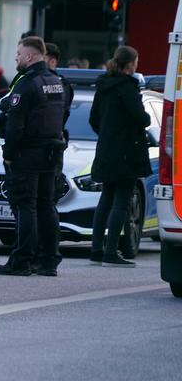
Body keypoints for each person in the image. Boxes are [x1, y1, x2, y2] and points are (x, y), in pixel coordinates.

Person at [0, 36, 66, 277]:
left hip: (28, 153)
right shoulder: (56, 81)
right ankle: (48, 260)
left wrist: (9, 155)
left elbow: (15, 126)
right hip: (51, 153)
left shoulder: (27, 84)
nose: (16, 58)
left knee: (26, 206)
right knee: (46, 206)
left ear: (30, 56)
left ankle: (22, 260)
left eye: (18, 54)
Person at [88, 46, 150, 268]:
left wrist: (107, 135)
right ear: (130, 64)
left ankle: (96, 249)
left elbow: (93, 119)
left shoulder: (103, 86)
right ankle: (111, 251)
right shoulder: (127, 87)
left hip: (106, 150)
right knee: (121, 201)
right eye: (136, 61)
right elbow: (142, 118)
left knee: (106, 198)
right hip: (127, 153)